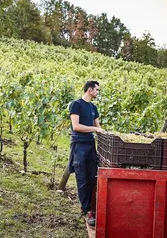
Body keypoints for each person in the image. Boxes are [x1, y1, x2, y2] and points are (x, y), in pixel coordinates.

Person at [68, 80, 106, 226]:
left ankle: (92, 208)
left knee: (92, 178)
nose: (98, 92)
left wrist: (104, 132)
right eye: (97, 90)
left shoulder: (93, 108)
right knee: (82, 179)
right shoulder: (76, 104)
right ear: (90, 90)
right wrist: (95, 130)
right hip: (79, 146)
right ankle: (86, 210)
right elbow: (76, 126)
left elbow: (98, 127)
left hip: (90, 145)